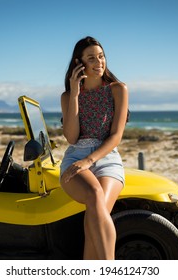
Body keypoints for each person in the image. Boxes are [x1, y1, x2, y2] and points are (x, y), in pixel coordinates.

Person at [60, 36, 129, 260]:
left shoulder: (118, 90)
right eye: (91, 58)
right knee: (95, 195)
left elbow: (116, 136)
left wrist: (89, 162)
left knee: (94, 220)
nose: (99, 62)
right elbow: (71, 137)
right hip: (76, 156)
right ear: (79, 63)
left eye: (101, 56)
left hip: (108, 158)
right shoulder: (68, 97)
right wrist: (75, 94)